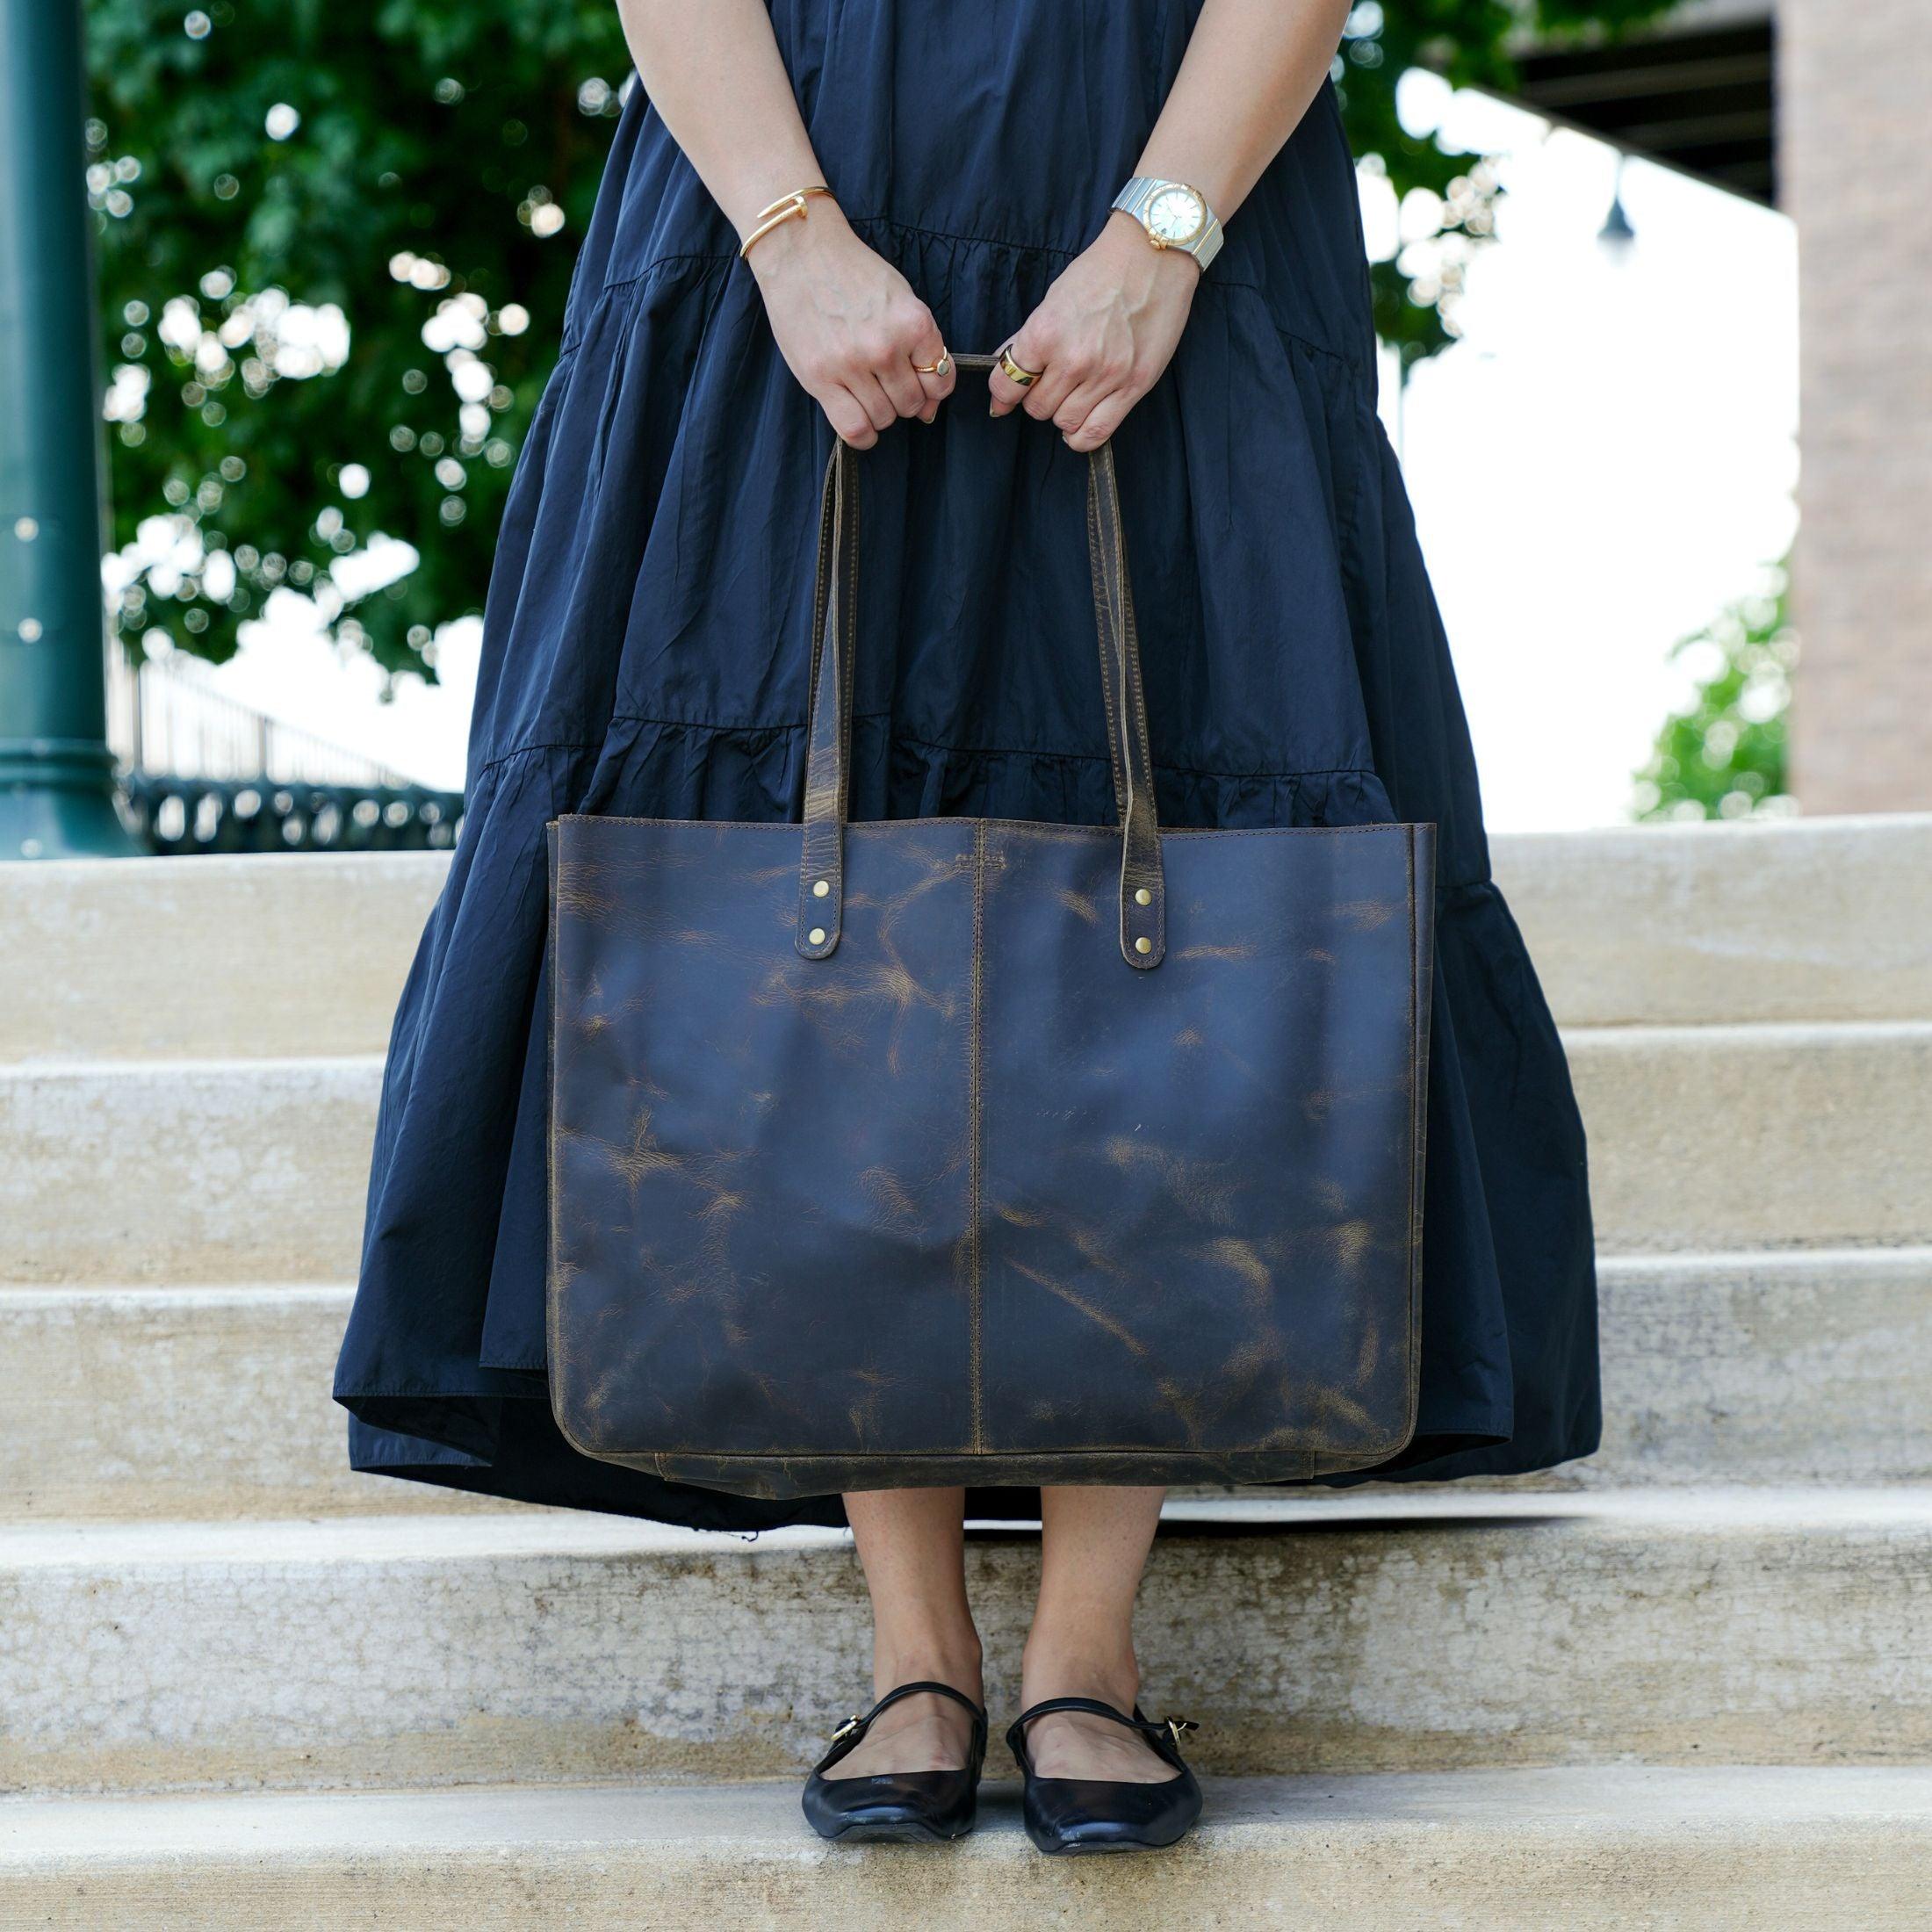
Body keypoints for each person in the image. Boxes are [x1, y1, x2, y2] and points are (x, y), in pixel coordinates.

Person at [335, 0, 1599, 1855]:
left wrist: (1159, 233)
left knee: (1166, 876)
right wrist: (789, 235)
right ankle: (915, 1645)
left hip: (1177, 190)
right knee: (813, 893)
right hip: (788, 205)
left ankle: (1083, 1647)